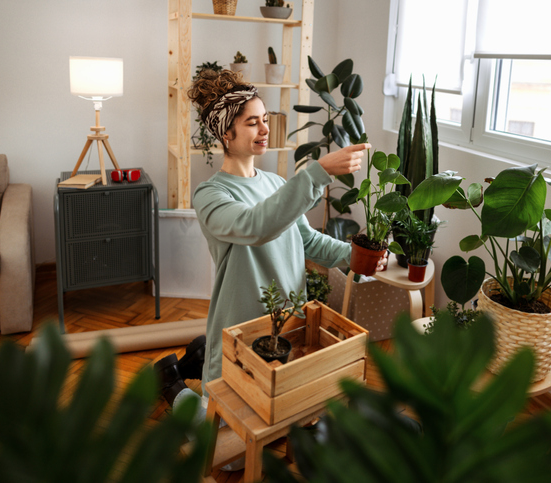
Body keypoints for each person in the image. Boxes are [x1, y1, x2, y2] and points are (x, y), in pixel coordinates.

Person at [155, 69, 382, 433]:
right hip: (240, 325)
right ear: (225, 132)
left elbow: (307, 241)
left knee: (280, 413)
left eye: (264, 120)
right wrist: (317, 172)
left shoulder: (276, 183)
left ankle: (198, 353)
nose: (264, 129)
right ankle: (171, 382)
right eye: (251, 123)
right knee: (219, 439)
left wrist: (355, 256)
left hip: (286, 322)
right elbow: (256, 226)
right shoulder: (211, 195)